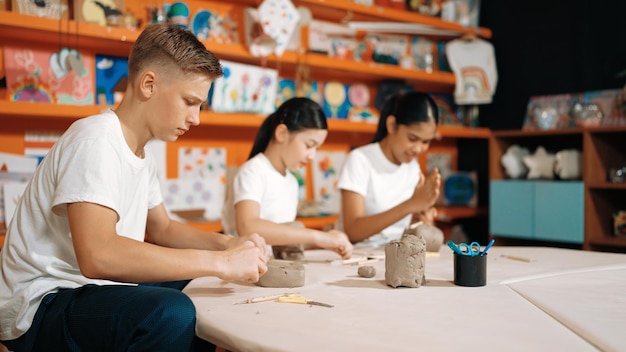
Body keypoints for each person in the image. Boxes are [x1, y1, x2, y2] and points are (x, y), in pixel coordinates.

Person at [0, 24, 269, 352]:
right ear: (149, 84)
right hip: (39, 304)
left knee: (204, 287)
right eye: (189, 101)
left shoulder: (143, 155)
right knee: (172, 311)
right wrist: (221, 263)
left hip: (90, 289)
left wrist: (229, 244)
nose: (196, 118)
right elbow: (98, 255)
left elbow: (163, 229)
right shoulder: (96, 140)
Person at [221, 97, 353, 259]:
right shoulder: (253, 171)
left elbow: (282, 238)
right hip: (243, 265)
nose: (312, 156)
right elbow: (248, 226)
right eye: (309, 145)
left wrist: (327, 241)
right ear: (282, 133)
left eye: (317, 148)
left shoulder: (291, 181)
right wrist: (317, 237)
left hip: (276, 266)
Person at [336, 91, 442, 248]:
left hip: (399, 254)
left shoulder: (412, 167)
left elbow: (403, 229)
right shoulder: (360, 160)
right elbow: (353, 230)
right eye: (412, 139)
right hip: (362, 254)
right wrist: (411, 205)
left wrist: (421, 220)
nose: (419, 149)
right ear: (392, 125)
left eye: (426, 141)